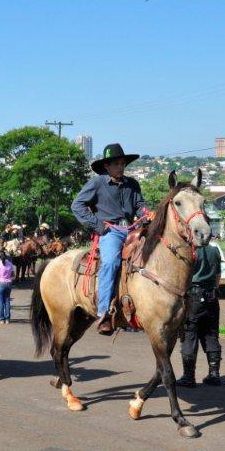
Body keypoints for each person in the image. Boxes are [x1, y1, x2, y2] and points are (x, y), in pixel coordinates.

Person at [71, 143, 152, 335]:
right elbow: (77, 205)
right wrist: (98, 225)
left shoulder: (133, 184)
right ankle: (104, 311)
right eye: (116, 164)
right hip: (111, 232)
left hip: (133, 228)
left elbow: (139, 205)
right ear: (106, 166)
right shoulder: (97, 183)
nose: (120, 167)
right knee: (111, 263)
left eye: (122, 163)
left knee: (149, 258)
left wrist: (146, 213)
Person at [177, 243, 223, 387]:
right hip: (212, 297)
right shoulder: (214, 251)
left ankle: (189, 377)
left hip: (193, 297)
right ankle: (214, 374)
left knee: (189, 335)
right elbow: (218, 275)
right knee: (211, 334)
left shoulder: (189, 251)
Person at [0, 256, 15, 324]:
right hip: (8, 283)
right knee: (7, 301)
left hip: (0, 283)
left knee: (0, 302)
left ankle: (1, 319)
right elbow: (13, 275)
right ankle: (7, 319)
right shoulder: (10, 264)